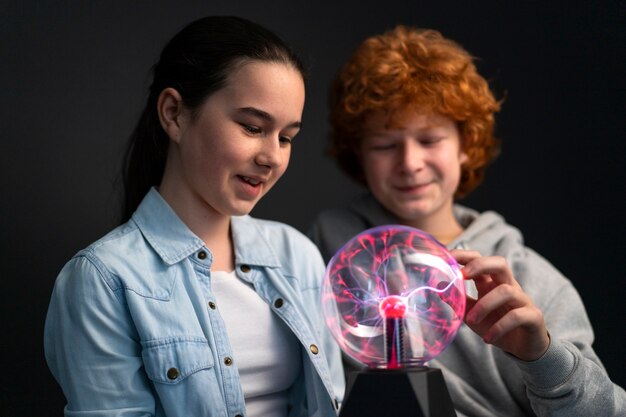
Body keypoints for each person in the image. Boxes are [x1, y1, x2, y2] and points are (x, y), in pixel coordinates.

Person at [308, 25, 625, 416]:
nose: (409, 163)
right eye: (385, 145)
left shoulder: (532, 280)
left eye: (430, 140)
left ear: (466, 145)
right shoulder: (321, 255)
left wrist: (541, 355)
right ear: (358, 154)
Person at [44, 16, 344, 417]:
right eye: (253, 127)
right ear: (175, 114)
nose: (272, 156)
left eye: (286, 137)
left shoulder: (297, 255)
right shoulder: (103, 280)